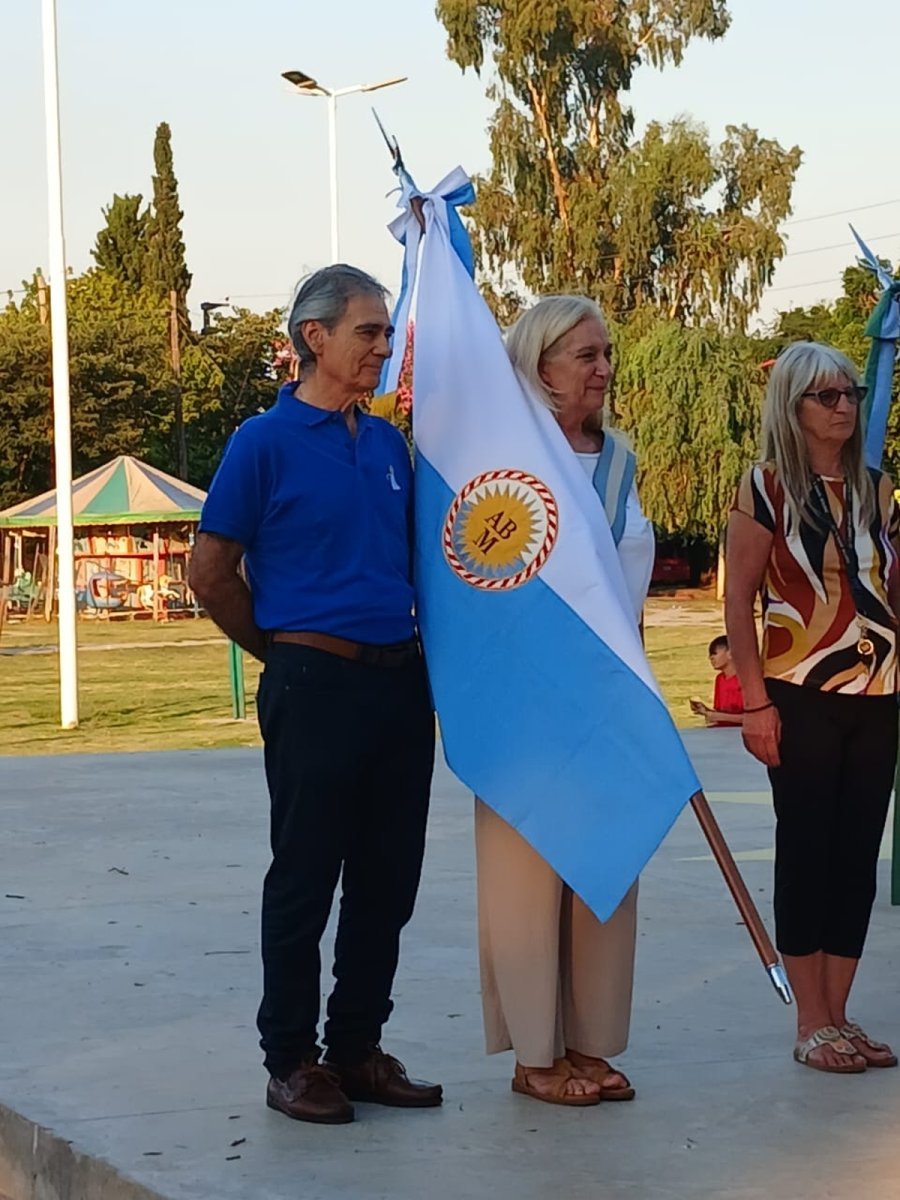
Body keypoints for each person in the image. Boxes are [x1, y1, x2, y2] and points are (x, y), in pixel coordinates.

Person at [189, 265, 441, 1124]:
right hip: (315, 683)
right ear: (314, 338)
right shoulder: (260, 443)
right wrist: (286, 652)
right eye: (368, 331)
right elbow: (210, 571)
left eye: (386, 331)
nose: (383, 345)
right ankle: (291, 1059)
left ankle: (357, 1049)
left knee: (388, 880)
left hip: (400, 684)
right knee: (305, 876)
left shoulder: (386, 445)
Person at [472, 295, 655, 1106]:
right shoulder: (501, 468)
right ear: (538, 366)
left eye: (606, 353)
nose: (603, 369)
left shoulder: (618, 460)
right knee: (528, 882)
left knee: (603, 872)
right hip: (528, 711)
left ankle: (589, 1041)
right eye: (585, 354)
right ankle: (534, 1055)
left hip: (614, 703)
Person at [725, 341, 900, 1075]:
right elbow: (738, 599)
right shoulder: (764, 489)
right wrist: (756, 703)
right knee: (806, 851)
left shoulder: (878, 489)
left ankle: (841, 1013)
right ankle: (810, 1021)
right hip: (800, 693)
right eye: (825, 396)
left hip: (881, 694)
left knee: (858, 855)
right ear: (791, 408)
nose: (844, 407)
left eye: (850, 393)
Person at [690, 635, 744, 726]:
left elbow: (752, 718)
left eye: (714, 653)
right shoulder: (719, 679)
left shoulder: (745, 679)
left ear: (730, 653)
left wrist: (717, 716)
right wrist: (706, 711)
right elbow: (721, 713)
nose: (711, 658)